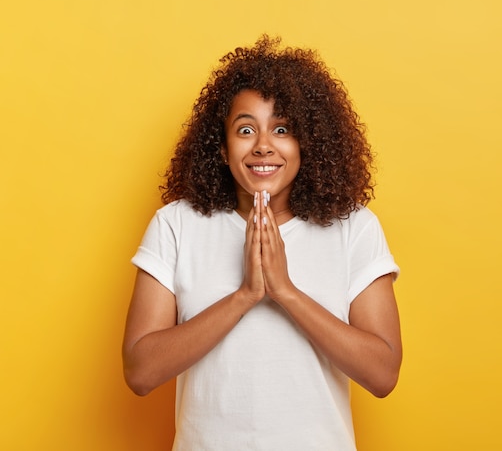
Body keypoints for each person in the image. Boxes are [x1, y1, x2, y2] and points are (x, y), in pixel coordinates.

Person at [122, 35, 402, 450]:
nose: (263, 146)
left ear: (307, 144)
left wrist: (285, 291)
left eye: (282, 129)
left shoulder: (354, 227)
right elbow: (140, 372)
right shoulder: (176, 225)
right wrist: (246, 295)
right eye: (246, 129)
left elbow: (383, 375)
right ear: (220, 148)